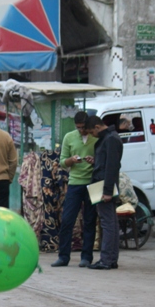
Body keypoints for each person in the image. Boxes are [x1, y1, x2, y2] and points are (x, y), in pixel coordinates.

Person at [51, 111, 98, 268]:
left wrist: (94, 161)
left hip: (93, 183)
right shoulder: (69, 137)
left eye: (84, 128)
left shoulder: (96, 136)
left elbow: (103, 158)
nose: (82, 131)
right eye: (78, 128)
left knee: (90, 221)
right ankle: (63, 256)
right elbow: (63, 162)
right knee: (67, 220)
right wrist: (71, 160)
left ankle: (87, 256)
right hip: (75, 182)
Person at [84, 115, 123, 270]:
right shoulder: (109, 139)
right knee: (110, 222)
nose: (92, 136)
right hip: (103, 184)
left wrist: (107, 191)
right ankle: (110, 258)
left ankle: (107, 259)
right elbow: (106, 162)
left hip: (103, 186)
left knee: (108, 223)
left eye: (92, 132)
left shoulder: (110, 139)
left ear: (97, 127)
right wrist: (96, 161)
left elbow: (112, 167)